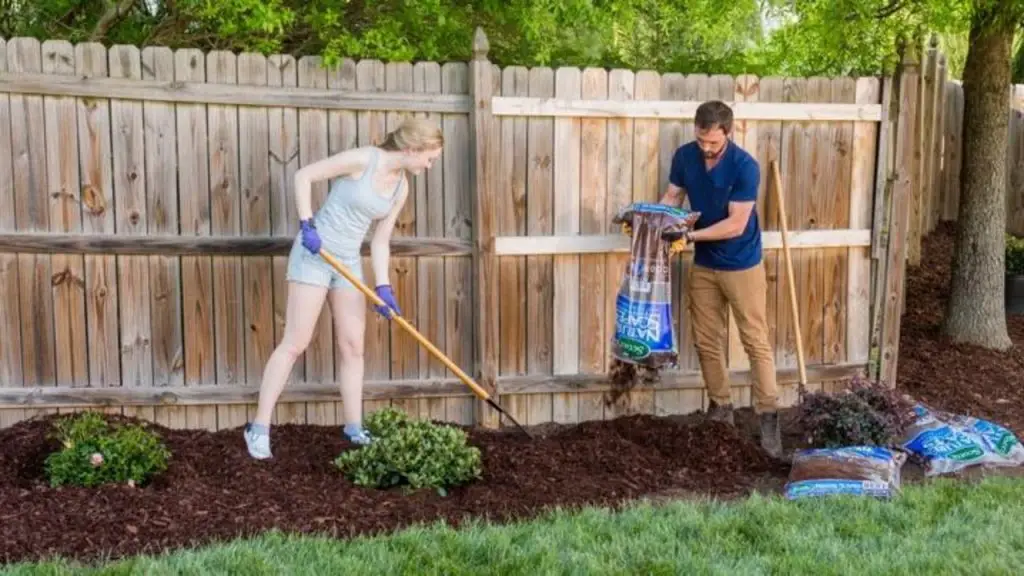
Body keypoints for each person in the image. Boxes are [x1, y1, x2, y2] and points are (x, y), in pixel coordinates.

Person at [243, 117, 444, 460]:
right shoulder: (365, 160)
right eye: (429, 158)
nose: (430, 165)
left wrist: (383, 287)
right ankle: (258, 429)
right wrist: (307, 224)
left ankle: (354, 428)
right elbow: (303, 175)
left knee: (353, 346)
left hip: (347, 263)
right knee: (296, 342)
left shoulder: (401, 188)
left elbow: (380, 241)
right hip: (315, 253)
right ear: (412, 149)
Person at [658, 100, 782, 458]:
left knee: (755, 339)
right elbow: (672, 198)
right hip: (705, 267)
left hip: (742, 264)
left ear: (728, 132)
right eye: (701, 140)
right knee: (706, 340)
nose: (706, 148)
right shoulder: (685, 156)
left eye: (713, 142)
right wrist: (652, 222)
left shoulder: (745, 167)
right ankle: (720, 408)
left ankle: (769, 415)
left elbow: (735, 224)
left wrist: (689, 237)